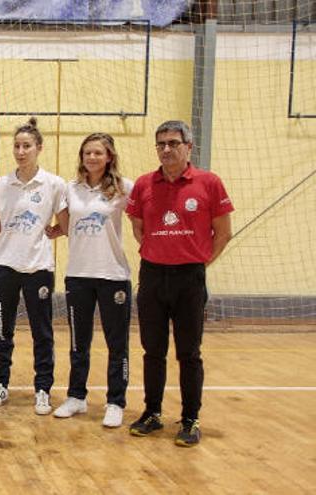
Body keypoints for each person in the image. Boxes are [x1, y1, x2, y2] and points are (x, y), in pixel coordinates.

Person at [126, 120, 233, 447]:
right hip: (153, 277)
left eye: (173, 143)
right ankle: (152, 413)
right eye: (161, 144)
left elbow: (223, 232)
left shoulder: (209, 182)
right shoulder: (144, 184)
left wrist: (196, 263)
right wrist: (161, 254)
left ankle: (190, 418)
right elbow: (138, 227)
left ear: (189, 147)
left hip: (190, 279)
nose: (166, 149)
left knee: (189, 353)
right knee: (152, 351)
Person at [50, 133, 133, 428]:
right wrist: (54, 231)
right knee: (78, 342)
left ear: (109, 156)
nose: (92, 158)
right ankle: (76, 397)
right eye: (87, 153)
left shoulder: (124, 189)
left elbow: (140, 221)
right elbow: (66, 224)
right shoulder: (70, 189)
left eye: (98, 153)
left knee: (117, 343)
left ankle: (115, 401)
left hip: (113, 275)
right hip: (78, 275)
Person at [0, 118, 68, 412]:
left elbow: (66, 221)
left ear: (39, 148)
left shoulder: (54, 184)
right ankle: (0, 384)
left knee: (42, 332)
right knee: (2, 331)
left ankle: (43, 389)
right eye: (17, 146)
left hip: (38, 268)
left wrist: (54, 231)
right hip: (5, 265)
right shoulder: (1, 184)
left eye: (27, 146)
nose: (21, 151)